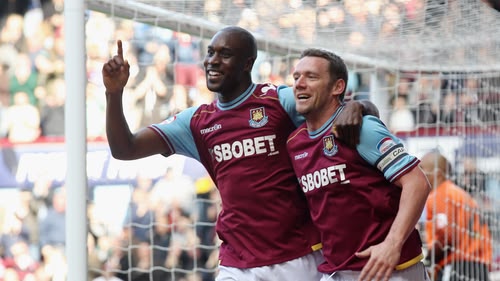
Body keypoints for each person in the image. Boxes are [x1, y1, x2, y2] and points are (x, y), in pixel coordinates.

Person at [102, 25, 377, 280]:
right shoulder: (196, 122)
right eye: (210, 53)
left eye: (225, 54)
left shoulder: (278, 100)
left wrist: (360, 106)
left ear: (247, 64)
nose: (212, 61)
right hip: (236, 261)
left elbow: (337, 108)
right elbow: (125, 149)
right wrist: (114, 94)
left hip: (297, 256)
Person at [286, 48, 431, 281]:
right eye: (296, 77)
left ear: (337, 87)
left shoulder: (360, 128)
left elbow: (417, 183)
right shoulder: (295, 143)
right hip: (336, 270)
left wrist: (392, 245)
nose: (299, 84)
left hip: (391, 269)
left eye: (311, 77)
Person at [419, 151, 492, 281]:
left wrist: (428, 260)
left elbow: (446, 236)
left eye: (422, 168)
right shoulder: (459, 193)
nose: (419, 173)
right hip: (478, 267)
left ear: (437, 172)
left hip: (457, 267)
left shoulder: (440, 195)